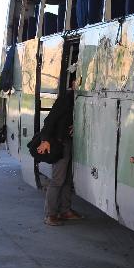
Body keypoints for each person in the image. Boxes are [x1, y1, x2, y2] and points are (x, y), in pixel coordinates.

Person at [37, 87, 84, 226]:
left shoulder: (78, 99)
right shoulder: (65, 99)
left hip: (69, 142)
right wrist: (45, 140)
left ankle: (65, 210)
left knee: (68, 179)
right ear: (74, 83)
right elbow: (49, 120)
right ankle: (50, 215)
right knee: (58, 180)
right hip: (60, 143)